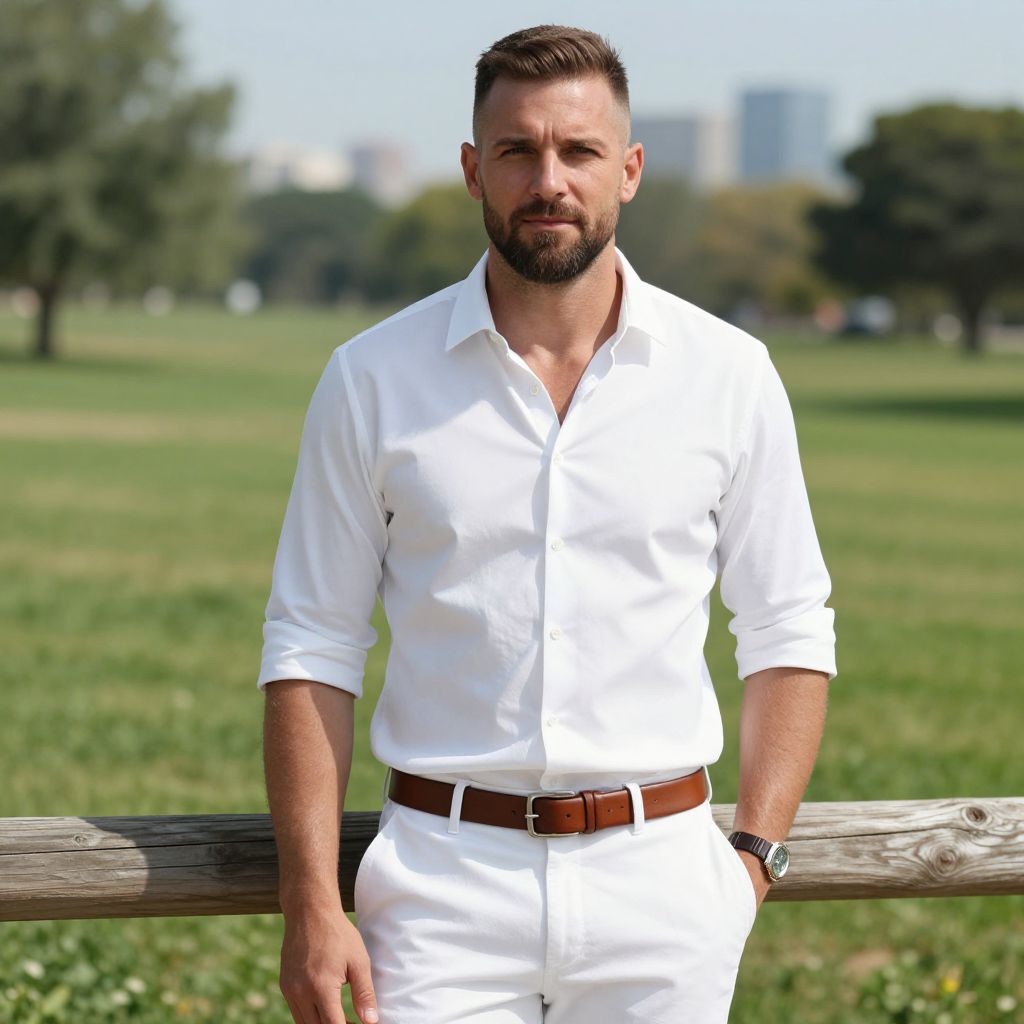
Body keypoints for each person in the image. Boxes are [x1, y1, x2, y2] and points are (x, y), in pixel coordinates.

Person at [258, 23, 836, 1024]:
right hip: (440, 888)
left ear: (630, 170)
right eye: (518, 150)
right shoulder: (371, 378)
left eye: (579, 151)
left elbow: (788, 626)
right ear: (474, 171)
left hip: (664, 895)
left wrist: (749, 863)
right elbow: (312, 646)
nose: (549, 178)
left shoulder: (728, 374)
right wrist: (310, 901)